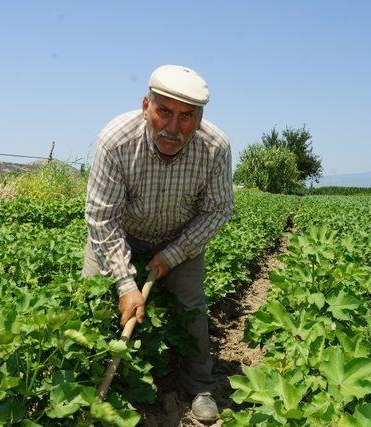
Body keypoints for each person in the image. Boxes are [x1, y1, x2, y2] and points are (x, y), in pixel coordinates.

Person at [82, 64, 233, 422]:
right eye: (164, 111)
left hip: (179, 236)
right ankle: (86, 381)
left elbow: (217, 210)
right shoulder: (116, 140)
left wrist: (173, 254)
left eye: (186, 117)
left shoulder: (215, 148)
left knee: (191, 303)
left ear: (199, 119)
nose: (173, 127)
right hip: (121, 230)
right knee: (90, 296)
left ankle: (200, 386)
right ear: (146, 105)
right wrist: (124, 283)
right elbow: (102, 217)